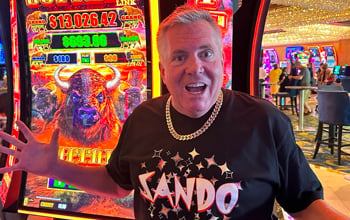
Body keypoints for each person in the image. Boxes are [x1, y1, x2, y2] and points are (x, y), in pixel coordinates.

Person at [0, 5, 349, 220]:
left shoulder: (265, 121)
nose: (194, 67)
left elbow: (304, 205)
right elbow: (117, 183)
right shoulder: (143, 118)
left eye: (206, 54)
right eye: (179, 57)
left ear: (222, 64)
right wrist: (52, 167)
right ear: (164, 70)